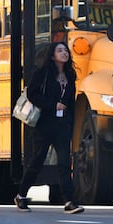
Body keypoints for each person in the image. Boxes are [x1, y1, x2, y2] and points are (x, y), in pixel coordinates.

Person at [14, 41, 84, 214]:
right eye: (60, 50)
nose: (64, 53)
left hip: (63, 125)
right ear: (52, 56)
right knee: (37, 161)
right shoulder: (43, 73)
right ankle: (21, 195)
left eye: (66, 50)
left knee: (64, 163)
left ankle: (69, 201)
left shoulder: (70, 75)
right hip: (44, 124)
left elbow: (70, 101)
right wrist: (53, 105)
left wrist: (71, 122)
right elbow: (32, 94)